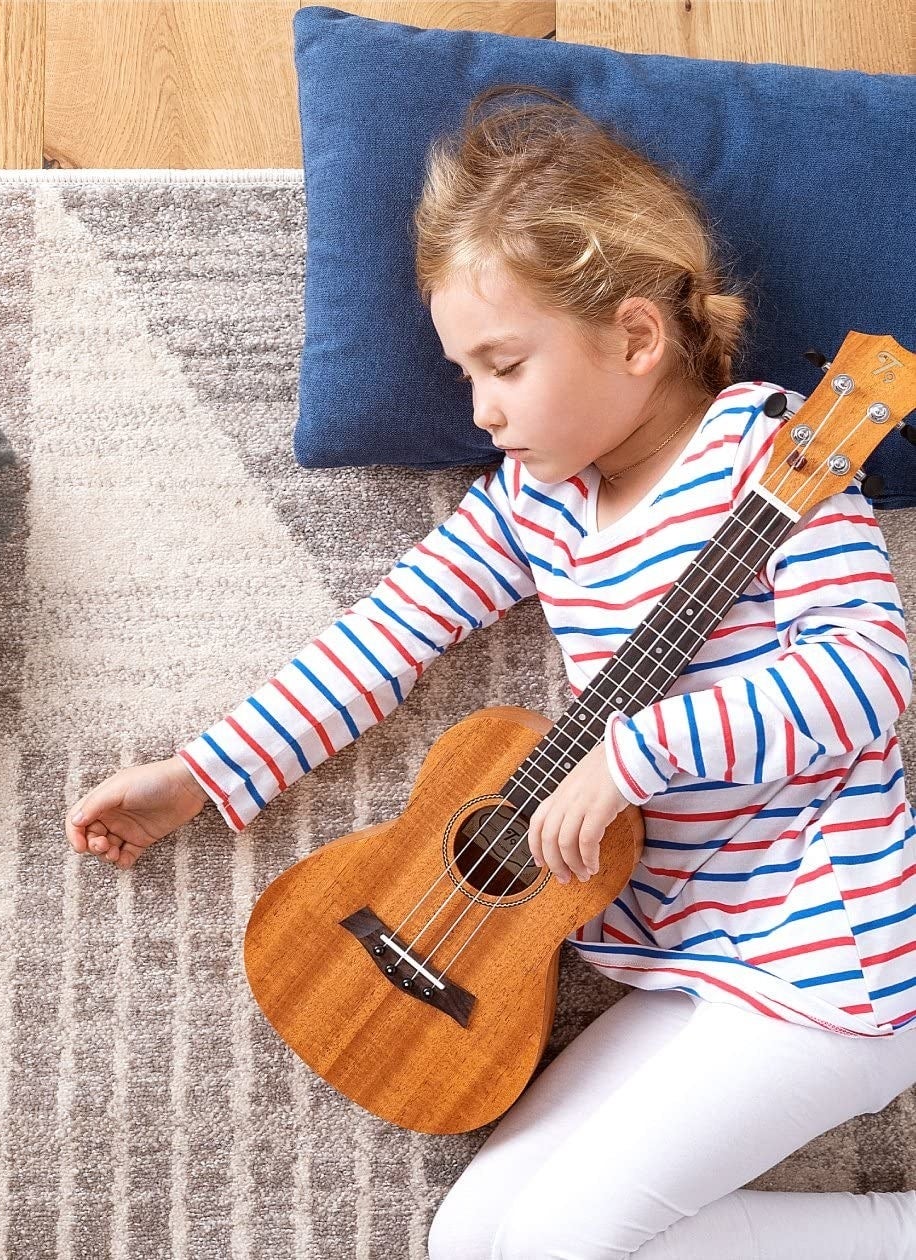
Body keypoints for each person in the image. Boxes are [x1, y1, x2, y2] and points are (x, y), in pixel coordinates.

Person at [62, 84, 916, 1257]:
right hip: (674, 962)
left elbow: (866, 678)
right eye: (463, 374)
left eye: (503, 366)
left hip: (832, 959)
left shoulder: (771, 454)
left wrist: (632, 755)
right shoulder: (533, 501)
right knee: (469, 1242)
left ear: (632, 336)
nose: (481, 410)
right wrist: (204, 778)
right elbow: (384, 638)